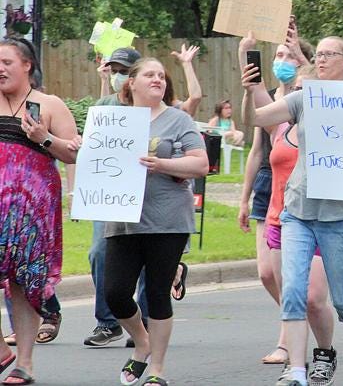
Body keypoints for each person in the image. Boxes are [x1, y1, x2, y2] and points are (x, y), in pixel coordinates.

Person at [243, 36, 343, 386]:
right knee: (292, 292)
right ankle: (298, 372)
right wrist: (248, 91)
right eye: (317, 54)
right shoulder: (304, 98)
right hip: (299, 213)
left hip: (341, 218)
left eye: (328, 54)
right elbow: (258, 119)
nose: (320, 59)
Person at [100, 58, 208, 386]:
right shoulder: (113, 120)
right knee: (115, 292)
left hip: (167, 220)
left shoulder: (178, 119)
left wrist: (162, 164)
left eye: (162, 75)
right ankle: (142, 342)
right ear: (130, 83)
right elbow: (93, 157)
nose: (158, 79)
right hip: (123, 219)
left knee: (157, 293)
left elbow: (201, 163)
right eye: (150, 74)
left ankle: (158, 369)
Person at [0, 37, 79, 385]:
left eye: (6, 62)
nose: (0, 69)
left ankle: (25, 364)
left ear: (27, 65)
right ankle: (3, 351)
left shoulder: (48, 104)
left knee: (22, 283)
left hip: (33, 211)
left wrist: (44, 138)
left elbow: (73, 152)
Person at [237, 31, 314, 365]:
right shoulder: (269, 98)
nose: (281, 61)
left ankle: (288, 337)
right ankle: (296, 316)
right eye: (278, 55)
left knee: (285, 274)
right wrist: (244, 198)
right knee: (267, 274)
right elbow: (256, 149)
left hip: (298, 184)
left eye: (288, 56)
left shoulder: (307, 95)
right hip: (270, 182)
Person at [83, 47, 149, 348]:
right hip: (110, 195)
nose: (117, 75)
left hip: (145, 194)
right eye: (114, 69)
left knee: (147, 257)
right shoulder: (103, 106)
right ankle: (108, 322)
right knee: (99, 252)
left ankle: (145, 321)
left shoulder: (151, 107)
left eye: (124, 70)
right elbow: (92, 152)